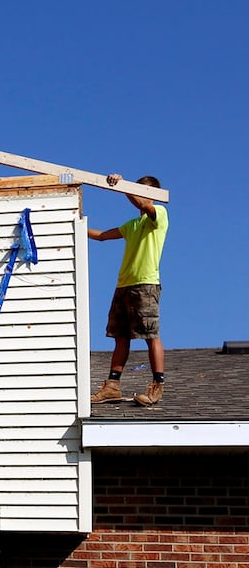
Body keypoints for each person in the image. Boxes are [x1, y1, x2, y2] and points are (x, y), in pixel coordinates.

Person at [88, 174, 169, 406]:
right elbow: (103, 236)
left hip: (146, 284)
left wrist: (122, 187)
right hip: (124, 285)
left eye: (142, 192)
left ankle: (157, 386)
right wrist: (76, 224)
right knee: (120, 337)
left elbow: (144, 204)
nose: (138, 197)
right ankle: (112, 386)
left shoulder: (159, 214)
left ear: (152, 195)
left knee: (150, 334)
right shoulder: (133, 225)